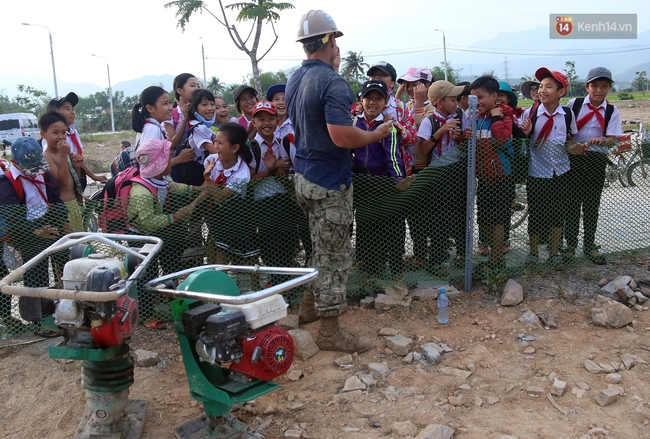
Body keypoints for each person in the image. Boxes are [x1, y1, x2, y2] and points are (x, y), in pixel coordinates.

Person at [286, 9, 392, 353]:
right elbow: (341, 136)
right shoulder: (332, 82)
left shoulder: (294, 80)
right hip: (330, 182)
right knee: (335, 255)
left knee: (320, 246)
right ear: (330, 41)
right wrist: (374, 135)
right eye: (336, 41)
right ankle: (330, 331)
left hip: (303, 176)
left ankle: (308, 309)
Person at [126, 138, 209, 318]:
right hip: (140, 236)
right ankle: (146, 315)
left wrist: (195, 190)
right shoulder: (142, 191)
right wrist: (176, 216)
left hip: (157, 232)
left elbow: (172, 187)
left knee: (171, 264)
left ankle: (174, 306)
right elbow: (148, 221)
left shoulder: (162, 178)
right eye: (168, 157)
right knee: (146, 274)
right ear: (158, 163)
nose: (171, 160)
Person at [0, 137, 68, 325]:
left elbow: (55, 198)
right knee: (36, 274)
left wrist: (63, 220)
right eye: (29, 168)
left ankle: (69, 308)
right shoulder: (6, 184)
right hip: (26, 231)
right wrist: (35, 231)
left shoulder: (43, 173)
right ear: (15, 163)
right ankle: (40, 322)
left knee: (68, 261)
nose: (34, 173)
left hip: (50, 222)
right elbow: (11, 216)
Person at [519, 67, 582, 269]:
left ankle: (554, 252)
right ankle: (534, 252)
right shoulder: (531, 113)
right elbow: (521, 143)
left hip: (561, 171)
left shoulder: (568, 115)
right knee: (536, 213)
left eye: (549, 86)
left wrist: (575, 149)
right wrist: (526, 134)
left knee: (558, 213)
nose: (542, 90)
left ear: (561, 92)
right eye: (541, 86)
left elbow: (570, 141)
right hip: (537, 171)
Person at [563, 67, 622, 265]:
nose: (599, 90)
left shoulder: (612, 111)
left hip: (596, 161)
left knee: (591, 204)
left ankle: (589, 245)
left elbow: (613, 139)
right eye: (594, 86)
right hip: (575, 159)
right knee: (571, 203)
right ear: (587, 86)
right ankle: (570, 245)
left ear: (610, 88)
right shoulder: (575, 104)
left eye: (604, 86)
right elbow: (566, 132)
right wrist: (573, 145)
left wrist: (603, 141)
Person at [351, 80, 408, 284]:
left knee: (393, 226)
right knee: (368, 227)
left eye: (378, 98)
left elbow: (392, 155)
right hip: (362, 182)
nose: (372, 102)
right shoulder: (353, 123)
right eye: (368, 98)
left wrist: (397, 180)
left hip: (385, 182)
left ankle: (396, 268)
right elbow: (349, 152)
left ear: (385, 102)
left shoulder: (388, 126)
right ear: (361, 100)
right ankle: (372, 269)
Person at [417, 81, 470, 271]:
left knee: (462, 213)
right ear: (439, 103)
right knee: (440, 217)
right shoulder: (429, 121)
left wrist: (460, 137)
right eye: (452, 99)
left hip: (458, 170)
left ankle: (463, 254)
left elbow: (466, 142)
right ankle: (437, 260)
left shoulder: (461, 115)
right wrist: (440, 132)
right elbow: (423, 150)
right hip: (438, 172)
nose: (456, 103)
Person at [469, 76, 516, 274]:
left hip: (501, 178)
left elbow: (503, 140)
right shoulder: (477, 121)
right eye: (473, 99)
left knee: (498, 220)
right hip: (485, 179)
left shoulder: (504, 119)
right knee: (485, 219)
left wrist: (496, 118)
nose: (476, 102)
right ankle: (492, 257)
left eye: (480, 97)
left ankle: (496, 259)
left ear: (494, 96)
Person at [248, 101, 295, 285]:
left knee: (287, 241)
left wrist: (274, 169)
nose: (266, 123)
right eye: (261, 119)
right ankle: (275, 282)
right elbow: (250, 180)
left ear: (277, 120)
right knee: (269, 243)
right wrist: (272, 168)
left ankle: (287, 282)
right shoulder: (252, 147)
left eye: (270, 118)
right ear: (254, 123)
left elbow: (285, 171)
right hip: (262, 203)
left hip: (283, 198)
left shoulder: (281, 142)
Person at [203, 123, 260, 270]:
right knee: (217, 256)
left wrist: (208, 178)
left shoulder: (242, 173)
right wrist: (191, 206)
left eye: (220, 143)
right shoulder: (212, 161)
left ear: (235, 148)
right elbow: (206, 190)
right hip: (219, 217)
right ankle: (216, 288)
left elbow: (220, 197)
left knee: (248, 260)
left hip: (239, 218)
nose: (216, 146)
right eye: (215, 141)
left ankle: (255, 289)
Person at [111, 86, 192, 176]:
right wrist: (178, 160)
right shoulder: (152, 129)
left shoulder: (151, 127)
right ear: (150, 108)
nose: (170, 107)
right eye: (165, 104)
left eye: (170, 103)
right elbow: (147, 165)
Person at [46, 92, 108, 191]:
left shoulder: (73, 132)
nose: (72, 112)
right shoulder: (51, 140)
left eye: (73, 109)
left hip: (76, 179)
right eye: (67, 109)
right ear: (55, 113)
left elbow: (76, 157)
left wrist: (93, 176)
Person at [39, 111, 84, 232]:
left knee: (81, 243)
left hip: (74, 205)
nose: (60, 136)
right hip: (62, 209)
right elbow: (62, 182)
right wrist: (63, 156)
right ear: (43, 134)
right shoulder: (46, 156)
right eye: (55, 132)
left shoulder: (65, 152)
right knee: (71, 246)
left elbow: (73, 181)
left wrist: (77, 167)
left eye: (63, 132)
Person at [171, 89, 218, 186]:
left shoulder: (205, 126)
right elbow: (215, 151)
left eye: (212, 104)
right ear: (194, 109)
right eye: (204, 105)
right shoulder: (197, 128)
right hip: (200, 173)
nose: (210, 108)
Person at [396, 67, 435, 174]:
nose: (409, 89)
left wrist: (419, 103)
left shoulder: (432, 107)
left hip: (421, 161)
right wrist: (398, 95)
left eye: (414, 85)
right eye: (407, 85)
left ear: (427, 86)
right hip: (407, 160)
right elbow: (395, 116)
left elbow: (420, 127)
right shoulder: (407, 105)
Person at [164, 73, 200, 139]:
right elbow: (172, 145)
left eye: (198, 86)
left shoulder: (200, 111)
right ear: (179, 91)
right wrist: (184, 120)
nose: (197, 89)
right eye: (192, 85)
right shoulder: (171, 114)